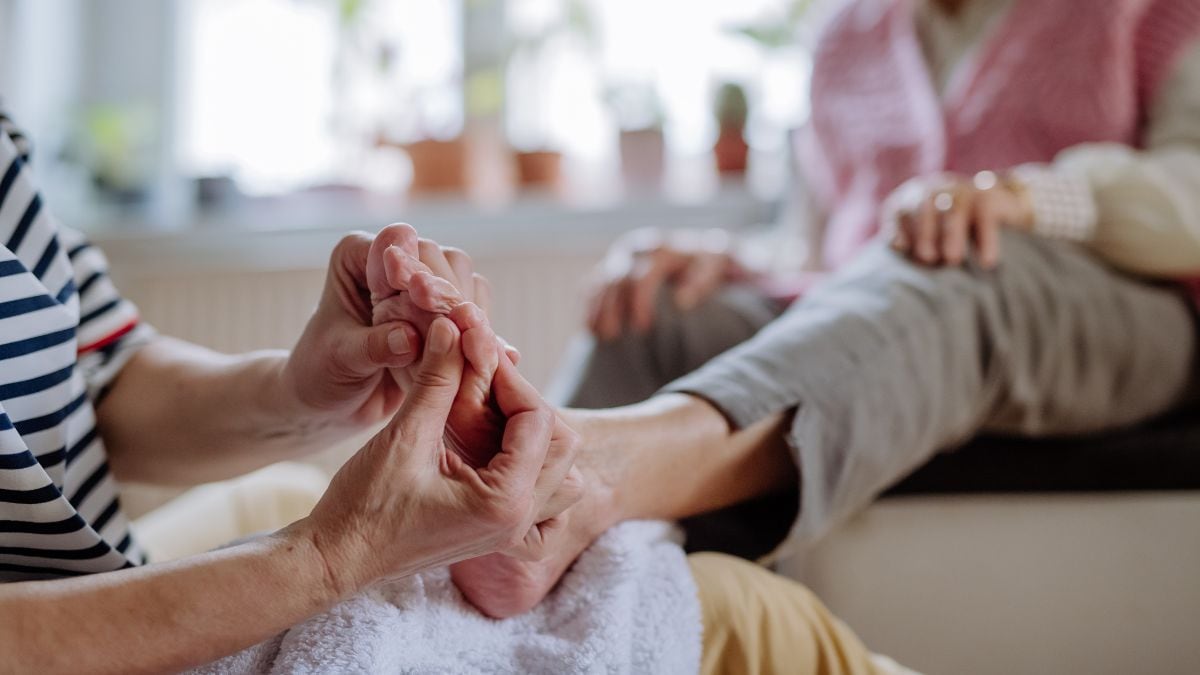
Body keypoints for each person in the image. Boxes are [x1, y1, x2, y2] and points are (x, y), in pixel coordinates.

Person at [392, 0, 1200, 649]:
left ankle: (575, 481)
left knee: (953, 261)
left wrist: (1024, 199)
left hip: (1121, 313)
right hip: (896, 295)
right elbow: (823, 245)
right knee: (657, 309)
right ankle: (482, 562)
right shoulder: (850, 31)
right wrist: (728, 260)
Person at [0, 108, 906, 671]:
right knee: (747, 616)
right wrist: (328, 557)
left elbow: (100, 379)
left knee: (297, 494)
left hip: (83, 576)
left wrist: (306, 388)